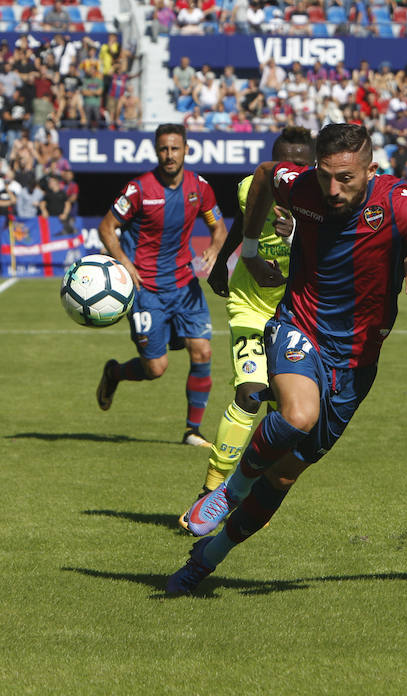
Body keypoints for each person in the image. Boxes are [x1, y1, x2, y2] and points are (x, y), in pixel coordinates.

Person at [166, 123, 407, 594]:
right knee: (297, 415)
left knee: (286, 473)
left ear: (370, 170)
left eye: (346, 179)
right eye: (325, 175)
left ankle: (207, 558)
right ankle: (227, 491)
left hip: (356, 361)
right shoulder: (302, 186)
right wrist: (248, 251)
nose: (333, 189)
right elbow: (265, 174)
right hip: (300, 325)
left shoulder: (399, 205)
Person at [177, 126, 315, 531]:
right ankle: (211, 491)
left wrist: (298, 236)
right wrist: (222, 266)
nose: (292, 173)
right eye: (284, 165)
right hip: (251, 308)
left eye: (302, 166)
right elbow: (243, 223)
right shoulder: (249, 188)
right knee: (250, 394)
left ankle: (255, 494)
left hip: (296, 315)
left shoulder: (322, 204)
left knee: (286, 413)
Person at [95, 124, 228, 447]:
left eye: (175, 149)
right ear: (157, 151)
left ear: (185, 150)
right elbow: (107, 228)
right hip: (146, 289)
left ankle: (192, 431)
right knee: (155, 368)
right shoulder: (139, 189)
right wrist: (125, 263)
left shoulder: (199, 187)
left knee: (204, 350)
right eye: (163, 149)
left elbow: (219, 228)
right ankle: (114, 373)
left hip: (184, 284)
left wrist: (213, 248)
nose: (169, 155)